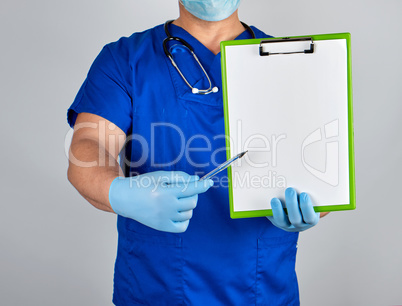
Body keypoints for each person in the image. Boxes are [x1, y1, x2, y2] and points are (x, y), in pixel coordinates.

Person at [67, 0, 328, 304]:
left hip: (261, 289)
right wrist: (120, 193)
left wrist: (311, 207)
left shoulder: (292, 62)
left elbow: (321, 171)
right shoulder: (125, 59)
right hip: (154, 289)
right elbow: (89, 149)